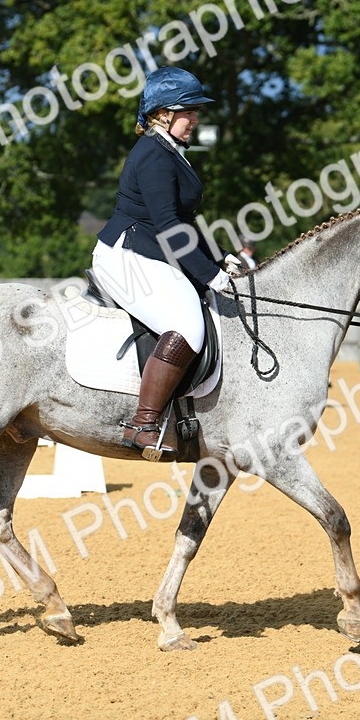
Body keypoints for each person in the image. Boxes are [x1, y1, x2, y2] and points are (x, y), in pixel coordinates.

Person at [93, 66, 232, 459]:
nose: (196, 119)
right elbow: (170, 226)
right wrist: (209, 276)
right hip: (127, 255)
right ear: (163, 114)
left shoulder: (170, 152)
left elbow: (184, 222)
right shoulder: (154, 155)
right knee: (187, 326)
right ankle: (143, 423)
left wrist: (219, 260)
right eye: (190, 112)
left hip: (149, 251)